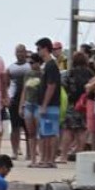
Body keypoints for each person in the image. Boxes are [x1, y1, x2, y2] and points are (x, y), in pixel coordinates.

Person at [35, 37, 63, 168]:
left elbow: (51, 85)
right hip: (49, 104)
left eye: (39, 49)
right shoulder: (48, 65)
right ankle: (46, 159)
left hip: (50, 105)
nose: (38, 51)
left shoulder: (51, 65)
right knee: (46, 133)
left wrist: (44, 104)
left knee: (49, 134)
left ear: (45, 49)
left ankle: (48, 159)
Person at [6, 44, 31, 159]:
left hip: (28, 99)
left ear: (26, 53)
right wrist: (7, 97)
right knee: (15, 127)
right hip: (14, 100)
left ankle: (30, 153)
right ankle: (15, 151)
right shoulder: (11, 68)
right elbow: (6, 84)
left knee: (28, 128)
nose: (20, 54)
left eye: (22, 51)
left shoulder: (30, 66)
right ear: (15, 53)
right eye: (18, 52)